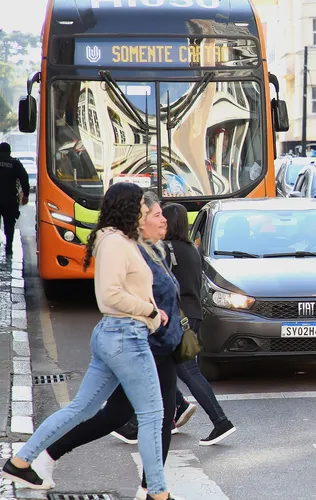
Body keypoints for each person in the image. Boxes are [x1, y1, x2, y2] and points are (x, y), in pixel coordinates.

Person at [0, 184, 177, 500]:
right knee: (152, 415)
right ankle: (158, 494)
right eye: (140, 205)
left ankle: (20, 461)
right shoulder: (114, 243)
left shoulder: (119, 240)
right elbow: (109, 295)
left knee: (83, 407)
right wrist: (150, 311)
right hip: (126, 336)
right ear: (126, 207)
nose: (143, 210)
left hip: (119, 335)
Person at [112, 203, 237, 447]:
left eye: (162, 219)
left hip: (175, 317)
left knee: (178, 369)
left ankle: (219, 421)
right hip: (193, 314)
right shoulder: (192, 250)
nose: (160, 224)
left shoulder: (165, 249)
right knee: (165, 368)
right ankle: (174, 411)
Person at [0, 143, 29, 255]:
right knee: (9, 224)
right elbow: (24, 178)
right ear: (9, 152)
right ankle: (9, 245)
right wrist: (25, 195)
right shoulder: (15, 163)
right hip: (9, 199)